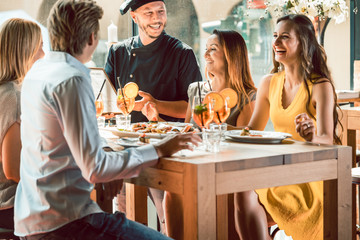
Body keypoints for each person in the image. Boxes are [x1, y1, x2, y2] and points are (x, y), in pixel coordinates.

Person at [13, 1, 201, 239]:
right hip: (67, 220)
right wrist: (160, 149)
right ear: (92, 37)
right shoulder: (74, 78)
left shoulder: (36, 74)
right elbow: (96, 168)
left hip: (30, 217)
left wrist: (110, 162)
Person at [234, 14, 341, 240]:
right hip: (280, 167)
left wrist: (312, 135)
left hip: (311, 174)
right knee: (239, 186)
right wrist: (221, 131)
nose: (276, 43)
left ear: (303, 43)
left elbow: (326, 139)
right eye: (275, 36)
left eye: (284, 37)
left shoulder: (320, 86)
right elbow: (253, 130)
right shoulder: (268, 83)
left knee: (243, 187)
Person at [143, 29, 257, 239]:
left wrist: (215, 127)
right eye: (206, 49)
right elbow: (189, 130)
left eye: (213, 49)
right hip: (196, 164)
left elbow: (245, 141)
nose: (205, 55)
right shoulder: (196, 89)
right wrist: (156, 120)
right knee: (171, 189)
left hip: (228, 170)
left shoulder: (247, 95)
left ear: (232, 55)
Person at [105, 0, 203, 232]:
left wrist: (155, 104)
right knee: (126, 216)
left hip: (167, 148)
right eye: (148, 13)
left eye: (161, 12)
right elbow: (107, 98)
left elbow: (193, 108)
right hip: (126, 146)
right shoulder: (118, 53)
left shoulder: (182, 53)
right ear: (134, 18)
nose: (157, 19)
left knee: (165, 216)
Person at [0, 18, 44, 230]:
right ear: (24, 51)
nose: (44, 55)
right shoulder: (13, 97)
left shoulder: (5, 91)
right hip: (9, 205)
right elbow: (13, 170)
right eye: (39, 48)